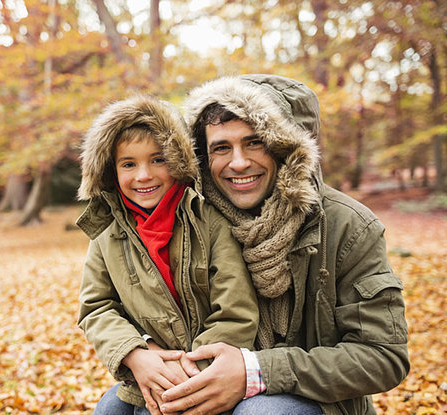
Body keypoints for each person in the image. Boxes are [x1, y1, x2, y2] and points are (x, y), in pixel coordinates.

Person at [153, 74, 410, 415]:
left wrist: (256, 372)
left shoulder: (349, 226)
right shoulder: (194, 222)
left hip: (319, 404)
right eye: (221, 148)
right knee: (117, 405)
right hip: (208, 384)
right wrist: (138, 353)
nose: (239, 162)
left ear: (287, 149)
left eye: (255, 142)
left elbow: (383, 357)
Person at [75, 95, 259, 413]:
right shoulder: (106, 233)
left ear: (178, 161)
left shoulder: (209, 221)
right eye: (129, 164)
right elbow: (97, 308)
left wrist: (183, 376)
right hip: (146, 369)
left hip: (211, 371)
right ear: (110, 170)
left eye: (158, 160)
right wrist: (136, 353)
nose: (143, 175)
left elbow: (236, 312)